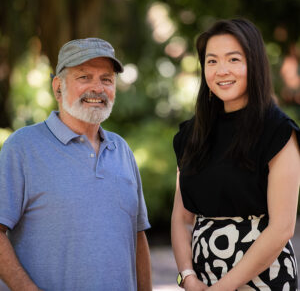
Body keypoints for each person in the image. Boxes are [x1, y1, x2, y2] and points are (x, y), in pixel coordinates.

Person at [0, 38, 152, 291]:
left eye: (106, 79)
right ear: (58, 88)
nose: (98, 88)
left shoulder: (122, 149)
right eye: (84, 77)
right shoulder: (23, 147)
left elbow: (138, 236)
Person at [171, 19, 300, 290]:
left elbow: (282, 228)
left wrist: (224, 287)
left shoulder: (278, 132)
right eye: (212, 61)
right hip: (201, 280)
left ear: (254, 64)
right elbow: (182, 218)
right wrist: (187, 277)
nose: (222, 70)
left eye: (233, 59)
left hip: (264, 280)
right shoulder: (191, 134)